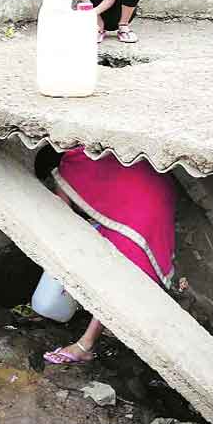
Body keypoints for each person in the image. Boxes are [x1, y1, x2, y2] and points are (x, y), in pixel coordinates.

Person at [43, 148, 177, 364]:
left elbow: (63, 218)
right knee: (122, 266)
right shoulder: (89, 154)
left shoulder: (66, 169)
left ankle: (84, 345)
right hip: (157, 195)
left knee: (116, 279)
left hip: (139, 214)